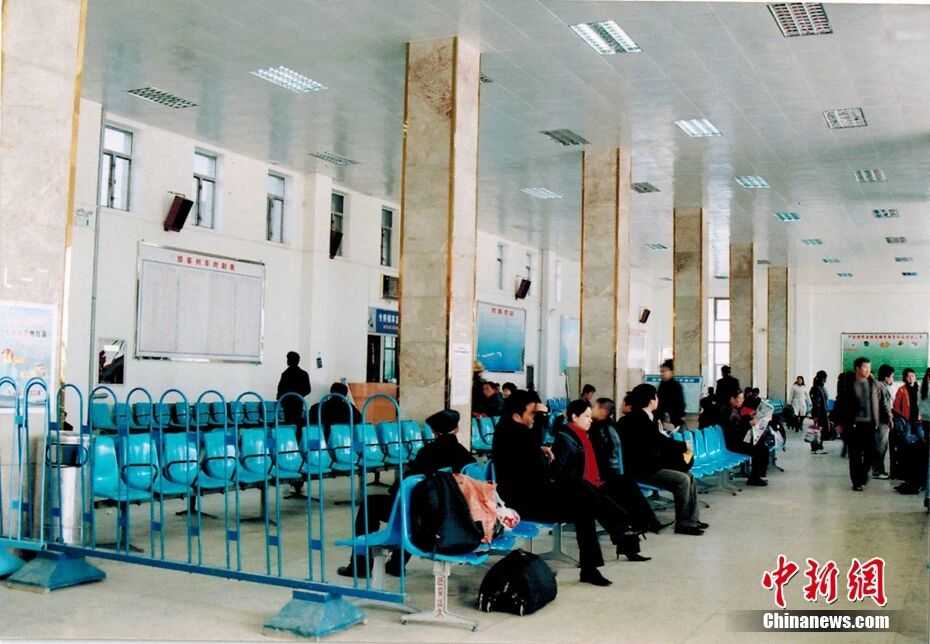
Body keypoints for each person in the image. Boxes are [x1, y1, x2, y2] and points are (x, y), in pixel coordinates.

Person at [493, 390, 622, 586]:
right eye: (533, 413)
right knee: (580, 491)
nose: (535, 417)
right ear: (517, 416)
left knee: (583, 502)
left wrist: (540, 450)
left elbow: (535, 459)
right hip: (523, 501)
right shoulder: (514, 435)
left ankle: (592, 564)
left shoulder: (513, 430)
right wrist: (541, 448)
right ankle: (618, 525)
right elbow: (539, 471)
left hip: (534, 492)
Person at [337, 408, 475, 578]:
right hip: (451, 517)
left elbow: (407, 484)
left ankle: (360, 565)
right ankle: (397, 564)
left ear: (434, 431)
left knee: (373, 505)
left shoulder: (427, 453)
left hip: (424, 515)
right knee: (415, 509)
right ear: (457, 429)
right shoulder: (466, 457)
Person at [551, 399, 650, 561]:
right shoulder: (565, 439)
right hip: (574, 490)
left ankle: (631, 536)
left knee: (625, 489)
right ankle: (631, 531)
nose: (590, 420)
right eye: (586, 416)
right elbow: (559, 472)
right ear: (574, 417)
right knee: (610, 508)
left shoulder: (581, 435)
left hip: (590, 484)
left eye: (591, 416)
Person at [617, 384, 707, 536]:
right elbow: (658, 442)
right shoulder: (638, 419)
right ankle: (683, 524)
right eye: (656, 397)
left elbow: (656, 441)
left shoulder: (644, 417)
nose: (657, 400)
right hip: (642, 469)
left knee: (689, 476)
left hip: (649, 465)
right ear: (651, 400)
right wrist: (683, 446)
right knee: (683, 479)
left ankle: (692, 520)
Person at [589, 397, 666, 534]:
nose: (591, 410)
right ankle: (647, 523)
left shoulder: (599, 429)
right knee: (629, 488)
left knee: (630, 488)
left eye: (594, 407)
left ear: (602, 410)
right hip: (607, 475)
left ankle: (646, 523)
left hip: (607, 473)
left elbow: (601, 456)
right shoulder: (608, 427)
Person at [833, 357, 890, 492]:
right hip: (852, 425)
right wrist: (837, 422)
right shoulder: (847, 384)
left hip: (870, 425)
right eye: (865, 367)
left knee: (872, 453)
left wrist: (888, 418)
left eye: (869, 367)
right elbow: (839, 403)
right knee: (855, 455)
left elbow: (882, 403)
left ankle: (863, 474)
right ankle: (856, 482)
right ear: (857, 368)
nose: (868, 370)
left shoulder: (874, 384)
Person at [719, 389, 769, 486]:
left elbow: (741, 418)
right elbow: (733, 430)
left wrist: (751, 417)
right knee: (760, 449)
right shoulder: (728, 412)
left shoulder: (734, 409)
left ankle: (756, 476)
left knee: (761, 445)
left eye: (743, 398)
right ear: (732, 398)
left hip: (737, 440)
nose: (742, 401)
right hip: (732, 443)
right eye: (740, 398)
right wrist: (749, 424)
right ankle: (755, 477)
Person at [892, 368, 925, 494]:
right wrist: (902, 419)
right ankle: (907, 471)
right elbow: (896, 406)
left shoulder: (920, 389)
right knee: (907, 443)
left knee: (923, 441)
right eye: (909, 376)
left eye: (913, 376)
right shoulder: (902, 390)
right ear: (905, 378)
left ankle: (919, 473)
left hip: (919, 421)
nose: (911, 378)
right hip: (908, 421)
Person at [276, 351, 311, 429]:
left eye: (288, 359)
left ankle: (290, 435)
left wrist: (281, 399)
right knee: (297, 423)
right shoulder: (303, 374)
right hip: (298, 401)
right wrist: (299, 395)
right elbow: (308, 389)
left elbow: (280, 389)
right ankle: (298, 435)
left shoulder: (285, 374)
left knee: (288, 422)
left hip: (287, 402)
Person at [873, 364, 895, 480]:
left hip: (880, 420)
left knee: (881, 446)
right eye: (892, 376)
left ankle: (879, 470)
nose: (893, 379)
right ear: (886, 377)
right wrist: (890, 418)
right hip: (882, 421)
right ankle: (877, 471)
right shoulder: (882, 387)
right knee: (881, 447)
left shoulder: (878, 386)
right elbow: (885, 405)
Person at [657, 359, 685, 429]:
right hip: (661, 418)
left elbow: (680, 403)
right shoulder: (661, 385)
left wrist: (681, 415)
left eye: (665, 371)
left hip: (674, 419)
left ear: (671, 371)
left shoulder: (676, 386)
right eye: (661, 371)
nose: (662, 373)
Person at [809, 370, 831, 445]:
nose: (826, 380)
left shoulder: (820, 387)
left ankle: (818, 444)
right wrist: (816, 415)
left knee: (819, 429)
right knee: (818, 428)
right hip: (820, 412)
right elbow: (816, 403)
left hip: (822, 411)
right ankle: (816, 444)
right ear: (823, 378)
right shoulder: (817, 388)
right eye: (825, 378)